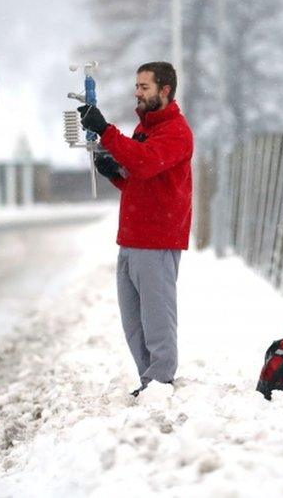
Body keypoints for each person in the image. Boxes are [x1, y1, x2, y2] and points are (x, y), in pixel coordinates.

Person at [77, 61, 194, 397]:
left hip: (157, 240)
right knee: (134, 322)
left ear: (165, 90)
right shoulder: (148, 128)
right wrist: (113, 170)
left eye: (144, 87)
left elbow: (143, 162)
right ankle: (149, 382)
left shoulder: (175, 131)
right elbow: (138, 180)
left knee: (157, 317)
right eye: (137, 86)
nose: (137, 93)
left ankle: (161, 382)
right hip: (132, 239)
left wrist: (107, 132)